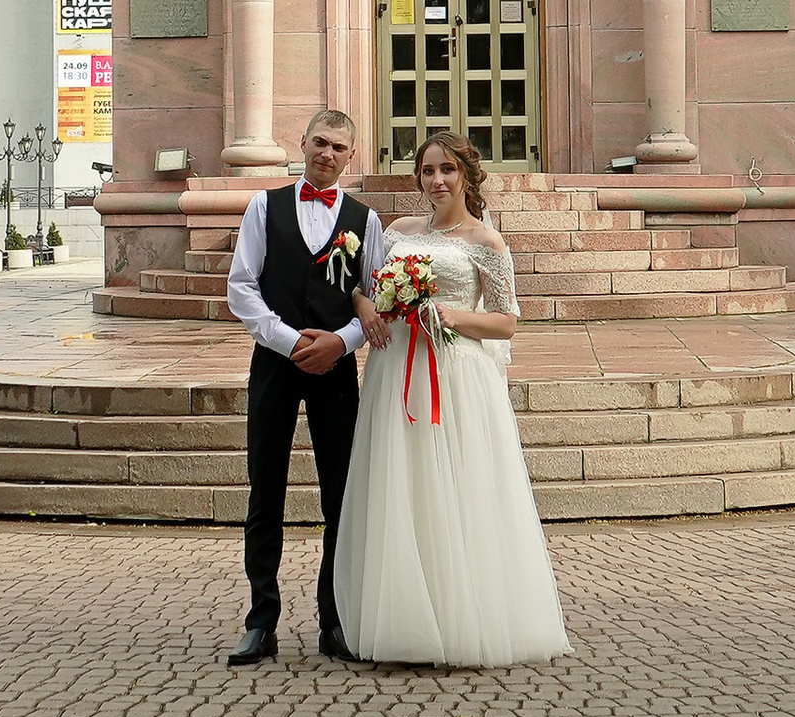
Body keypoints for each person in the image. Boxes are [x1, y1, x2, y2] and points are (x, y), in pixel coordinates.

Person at [333, 127, 570, 668]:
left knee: (456, 489)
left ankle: (461, 617)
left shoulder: (485, 241)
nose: (436, 180)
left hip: (455, 375)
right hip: (396, 369)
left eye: (446, 170)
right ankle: (401, 618)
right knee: (402, 486)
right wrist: (365, 306)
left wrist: (451, 316)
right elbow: (366, 287)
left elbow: (507, 322)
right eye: (427, 171)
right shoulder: (396, 231)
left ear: (466, 174)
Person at [224, 105, 386, 670]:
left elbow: (373, 298)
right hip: (275, 361)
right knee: (264, 490)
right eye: (320, 142)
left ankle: (333, 618)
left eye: (340, 147)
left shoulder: (366, 221)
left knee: (340, 495)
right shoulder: (263, 207)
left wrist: (340, 342)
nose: (328, 154)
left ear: (352, 155)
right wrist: (291, 341)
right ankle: (260, 621)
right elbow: (242, 287)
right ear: (302, 142)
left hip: (336, 368)